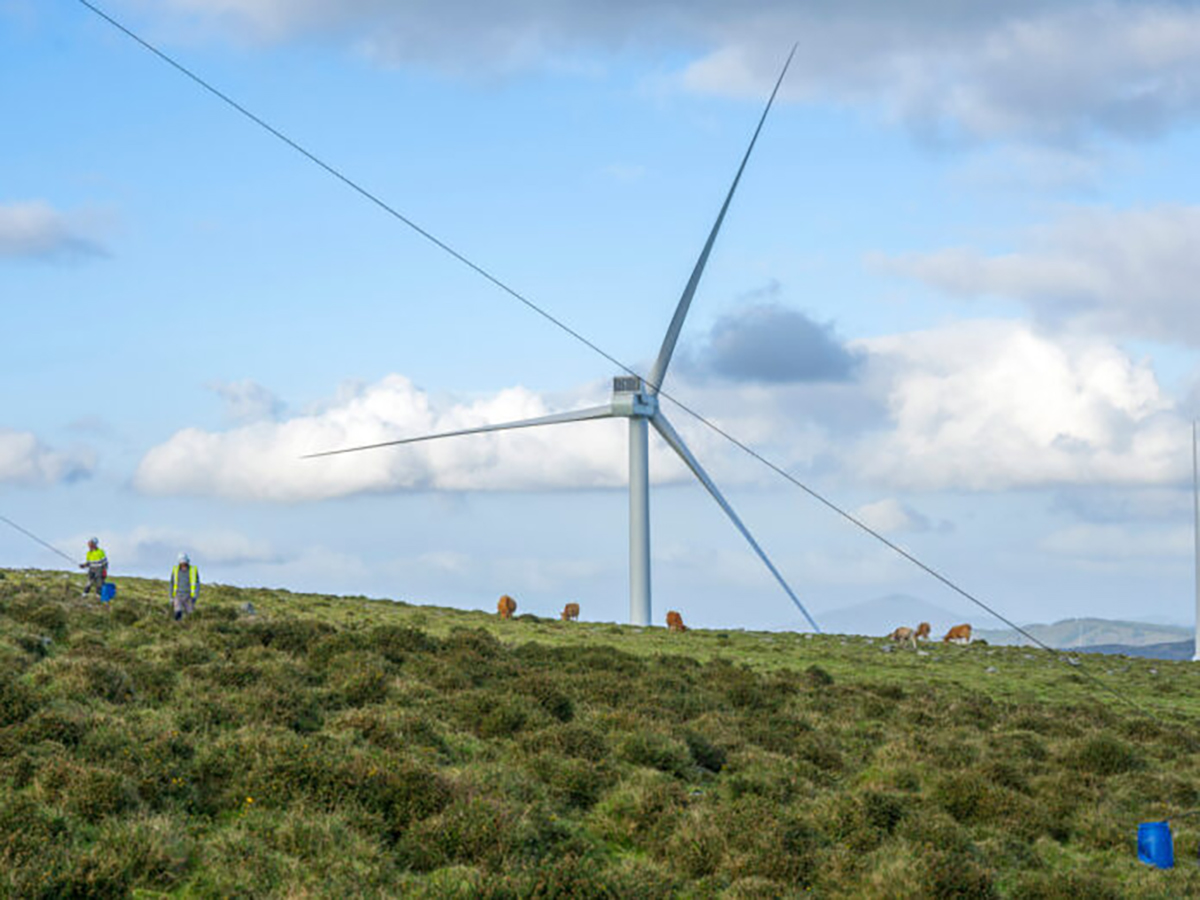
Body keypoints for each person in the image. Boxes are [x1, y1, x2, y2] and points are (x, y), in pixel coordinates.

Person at [171, 552, 200, 621]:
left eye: (184, 563)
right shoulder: (175, 570)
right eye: (182, 563)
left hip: (189, 596)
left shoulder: (193, 570)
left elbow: (197, 584)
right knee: (178, 613)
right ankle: (177, 627)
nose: (183, 565)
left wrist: (195, 595)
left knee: (190, 615)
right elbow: (171, 583)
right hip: (178, 595)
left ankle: (189, 628)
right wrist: (171, 597)